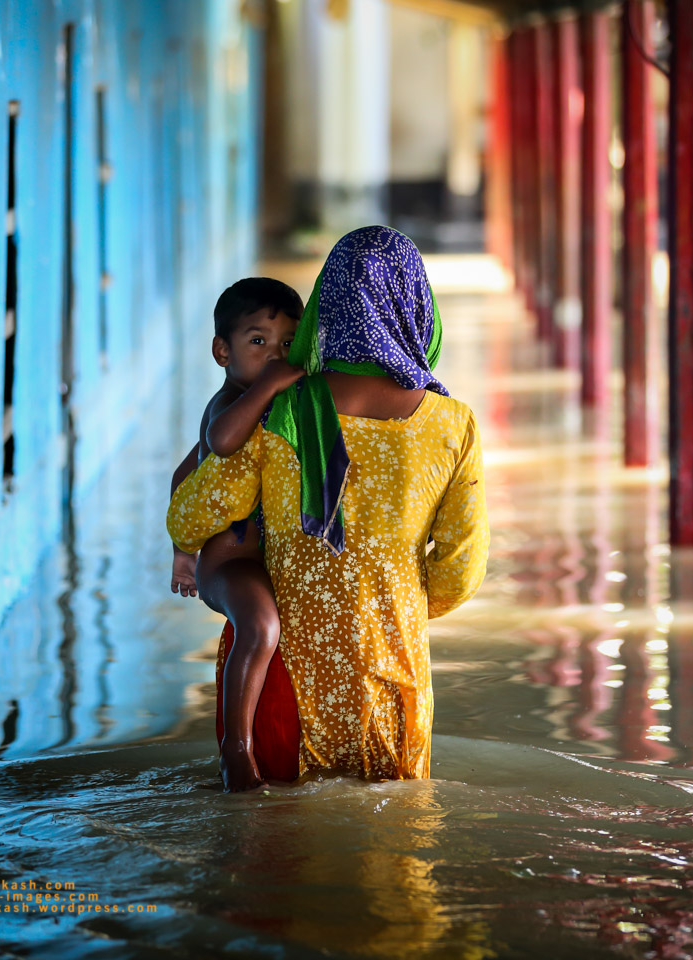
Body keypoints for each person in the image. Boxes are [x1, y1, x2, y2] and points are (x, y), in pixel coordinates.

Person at [168, 225, 490, 782]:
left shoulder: (278, 407)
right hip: (394, 684)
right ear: (418, 308)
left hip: (280, 685)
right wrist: (389, 600)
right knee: (394, 852)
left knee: (266, 853)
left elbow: (192, 517)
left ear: (324, 308)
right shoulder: (453, 425)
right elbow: (460, 571)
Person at [170, 277, 307, 792]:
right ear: (221, 350)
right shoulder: (228, 403)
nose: (274, 356)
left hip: (257, 560)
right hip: (230, 564)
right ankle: (237, 750)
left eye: (288, 344)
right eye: (258, 342)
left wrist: (178, 550)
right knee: (261, 628)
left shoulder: (274, 406)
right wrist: (190, 557)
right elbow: (221, 442)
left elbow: (184, 476)